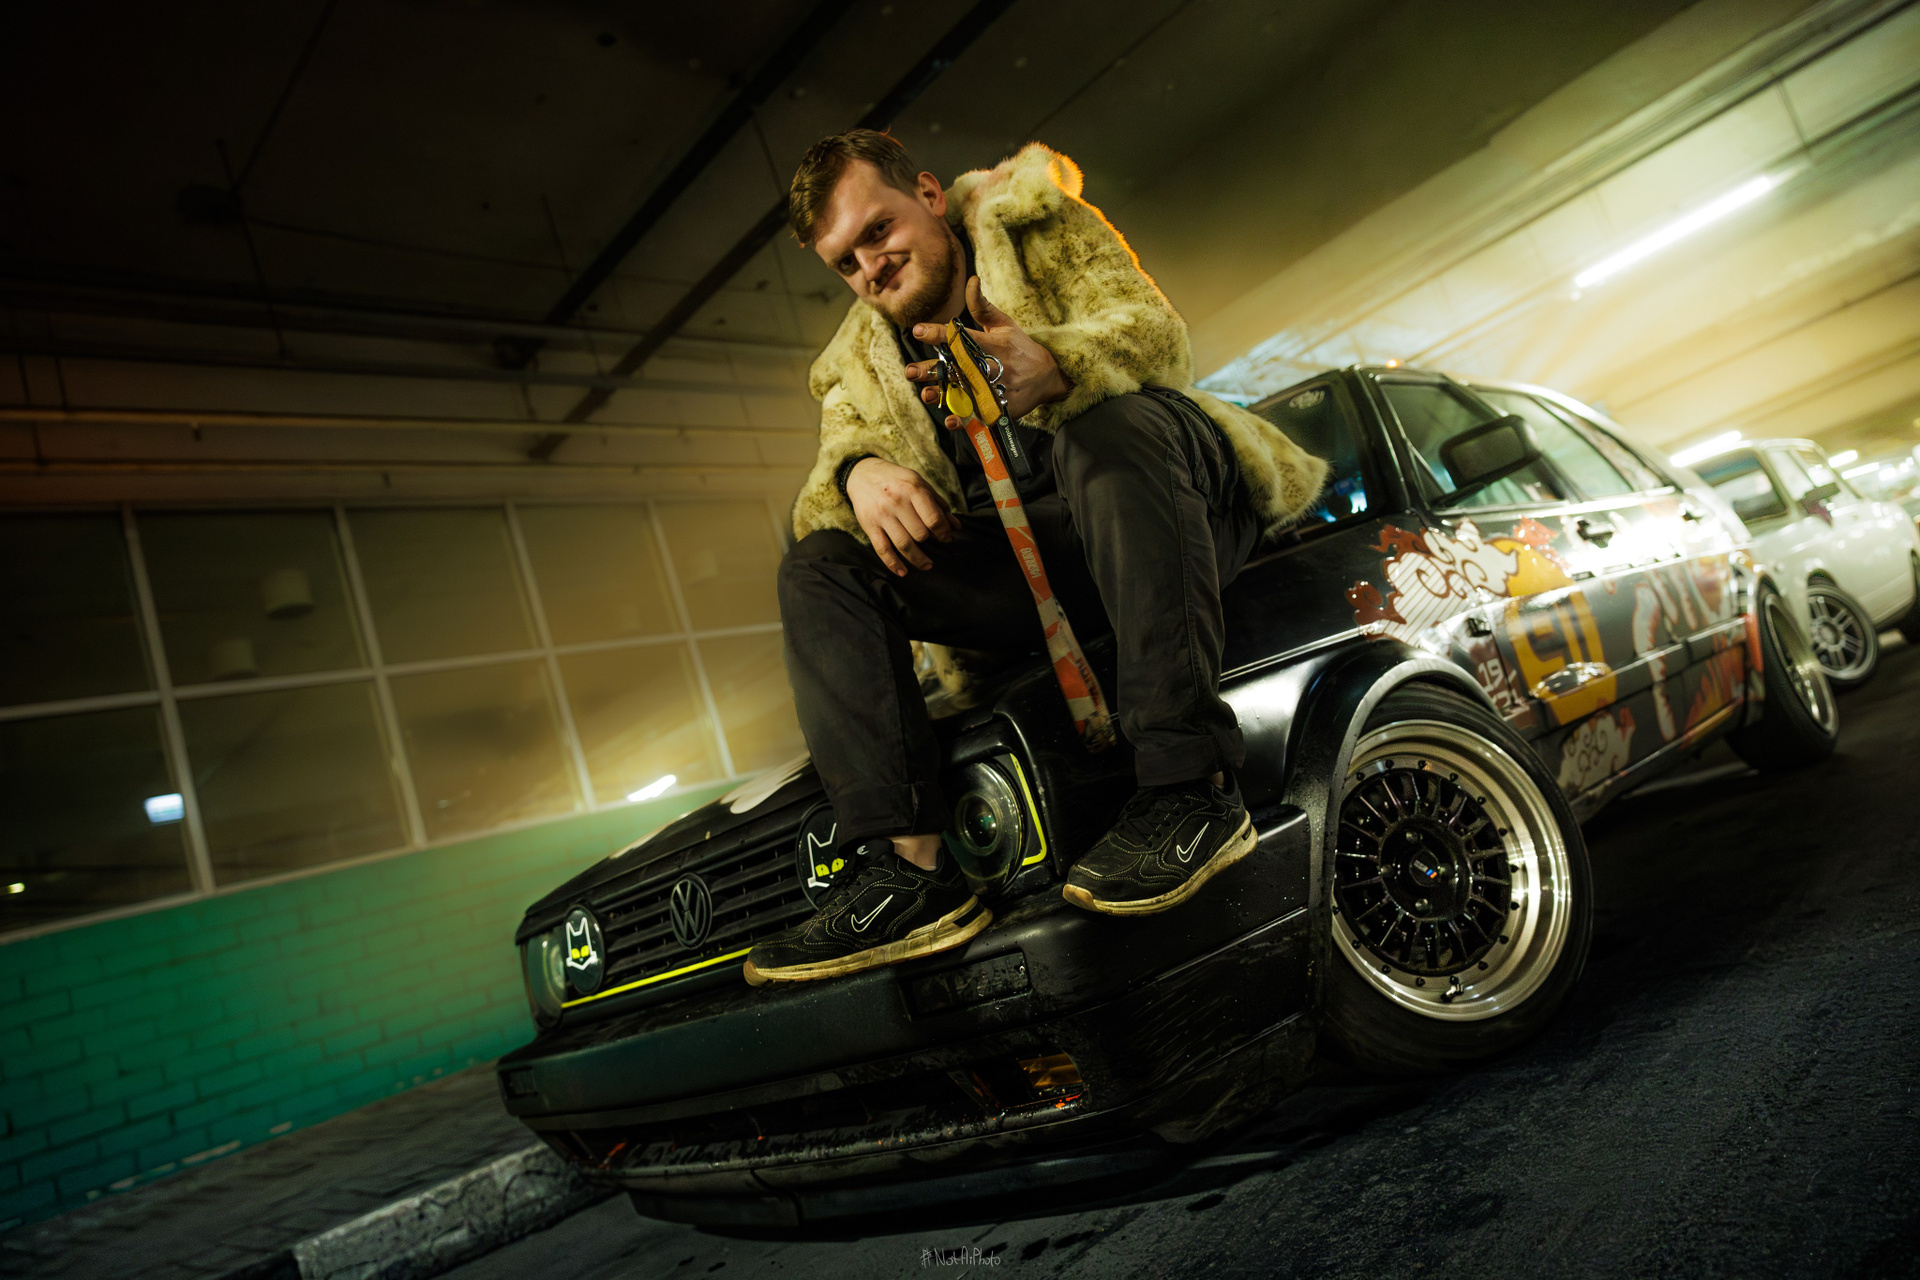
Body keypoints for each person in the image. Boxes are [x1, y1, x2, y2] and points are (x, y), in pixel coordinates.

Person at [743, 130, 1324, 986]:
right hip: (1040, 567)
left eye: (878, 230)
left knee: (1102, 428)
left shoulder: (1035, 224)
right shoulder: (856, 362)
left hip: (1172, 503)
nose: (869, 267)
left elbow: (1158, 340)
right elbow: (820, 496)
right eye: (844, 262)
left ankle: (1189, 787)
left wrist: (1056, 368)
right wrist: (856, 474)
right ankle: (912, 873)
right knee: (818, 566)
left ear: (929, 195)